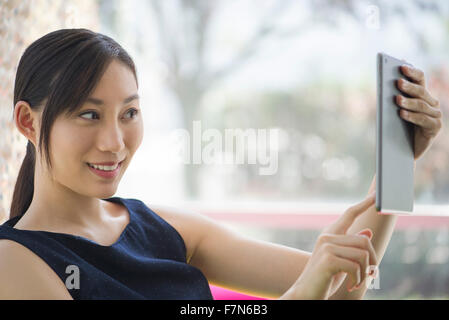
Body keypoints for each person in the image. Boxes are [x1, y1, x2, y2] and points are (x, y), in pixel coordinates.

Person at [0, 28, 442, 300]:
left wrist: (398, 161)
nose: (114, 142)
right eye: (89, 114)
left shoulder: (165, 230)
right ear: (28, 122)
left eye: (129, 113)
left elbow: (344, 289)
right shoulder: (13, 262)